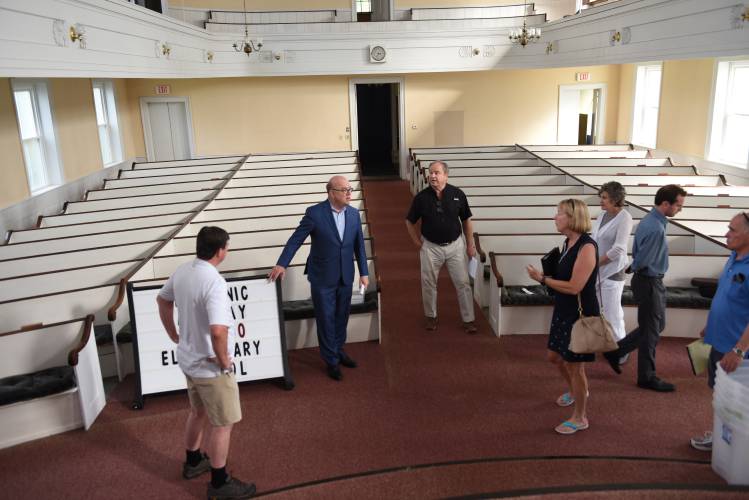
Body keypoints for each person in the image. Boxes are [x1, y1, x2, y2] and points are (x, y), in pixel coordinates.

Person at [156, 226, 256, 500]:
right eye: (227, 246)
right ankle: (220, 483)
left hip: (189, 361)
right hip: (210, 367)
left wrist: (174, 335)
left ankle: (192, 462)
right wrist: (225, 362)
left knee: (197, 412)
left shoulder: (183, 271)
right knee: (223, 423)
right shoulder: (214, 282)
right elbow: (217, 331)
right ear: (220, 250)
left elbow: (162, 300)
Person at [268, 175, 369, 382]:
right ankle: (331, 360)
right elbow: (295, 240)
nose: (349, 193)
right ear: (331, 193)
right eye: (344, 190)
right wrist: (282, 263)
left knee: (341, 316)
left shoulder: (353, 213)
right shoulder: (315, 213)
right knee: (325, 318)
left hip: (346, 275)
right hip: (322, 276)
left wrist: (364, 273)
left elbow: (359, 245)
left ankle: (339, 350)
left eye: (350, 189)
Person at [603, 184, 687, 392]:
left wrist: (634, 267)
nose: (680, 209)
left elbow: (640, 258)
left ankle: (615, 351)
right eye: (679, 205)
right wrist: (634, 268)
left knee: (656, 326)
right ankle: (646, 376)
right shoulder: (655, 227)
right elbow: (644, 260)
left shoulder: (653, 221)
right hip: (649, 281)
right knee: (651, 331)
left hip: (649, 280)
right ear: (666, 203)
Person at [526, 199, 599, 435]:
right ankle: (577, 391)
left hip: (580, 314)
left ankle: (580, 417)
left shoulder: (587, 247)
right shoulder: (568, 242)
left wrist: (543, 279)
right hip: (563, 309)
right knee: (554, 357)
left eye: (560, 214)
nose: (555, 217)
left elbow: (575, 286)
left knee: (575, 366)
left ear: (573, 218)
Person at [690, 212, 749, 451]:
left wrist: (739, 350)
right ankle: (722, 439)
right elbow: (724, 295)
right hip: (719, 340)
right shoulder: (734, 256)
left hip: (736, 348)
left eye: (733, 230)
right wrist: (710, 324)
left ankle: (736, 447)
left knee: (737, 400)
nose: (727, 233)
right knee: (720, 394)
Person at [405, 160, 477, 334]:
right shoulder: (421, 198)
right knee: (428, 283)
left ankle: (469, 320)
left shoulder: (458, 194)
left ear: (446, 175)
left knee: (463, 284)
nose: (432, 176)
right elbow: (409, 221)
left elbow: (466, 220)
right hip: (430, 247)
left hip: (455, 246)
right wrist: (416, 242)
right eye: (431, 173)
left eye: (437, 173)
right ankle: (431, 317)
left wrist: (470, 244)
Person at [590, 182, 633, 362]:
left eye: (605, 198)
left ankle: (621, 351)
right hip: (598, 270)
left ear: (616, 199)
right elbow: (594, 239)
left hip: (613, 272)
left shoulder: (625, 217)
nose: (601, 201)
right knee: (598, 310)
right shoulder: (602, 215)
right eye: (601, 197)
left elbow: (619, 249)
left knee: (613, 313)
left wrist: (595, 263)